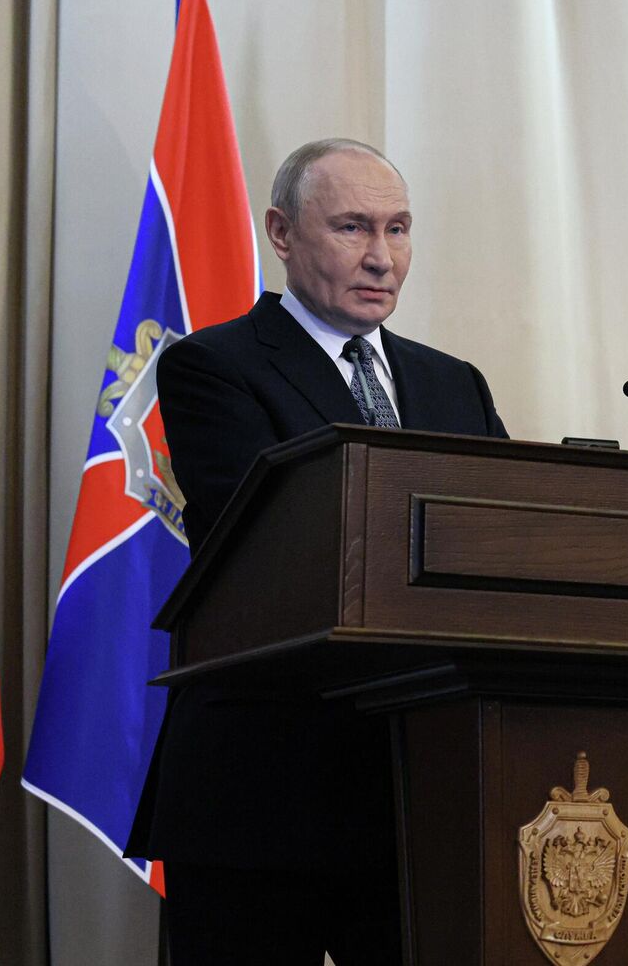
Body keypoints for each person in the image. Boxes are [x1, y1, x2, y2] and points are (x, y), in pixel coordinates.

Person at [126, 138, 509, 964]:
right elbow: (271, 539)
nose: (382, 257)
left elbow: (506, 545)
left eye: (398, 228)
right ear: (282, 233)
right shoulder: (213, 367)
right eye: (352, 227)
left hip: (420, 790)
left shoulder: (455, 384)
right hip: (263, 790)